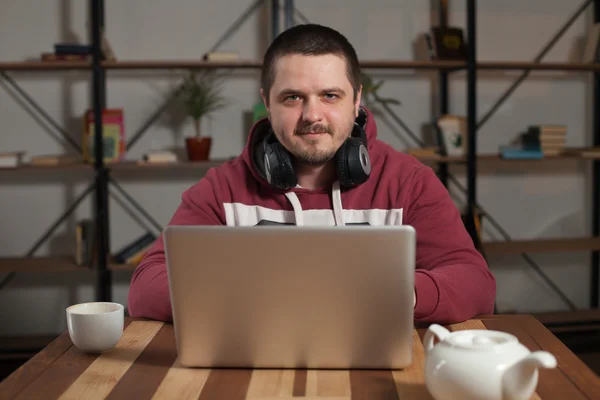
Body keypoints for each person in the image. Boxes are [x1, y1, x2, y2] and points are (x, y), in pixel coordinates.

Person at [128, 23, 496, 324]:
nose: (312, 115)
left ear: (356, 102)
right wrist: (268, 292)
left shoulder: (408, 182)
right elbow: (147, 286)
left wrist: (394, 292)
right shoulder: (222, 188)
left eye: (330, 96)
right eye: (292, 97)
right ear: (267, 104)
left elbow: (475, 282)